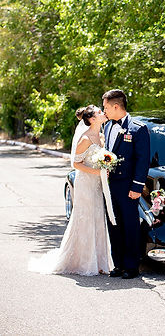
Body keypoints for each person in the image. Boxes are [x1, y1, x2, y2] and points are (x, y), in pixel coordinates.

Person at [28, 105, 113, 276]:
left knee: (97, 217)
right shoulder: (85, 138)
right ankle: (82, 262)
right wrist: (97, 171)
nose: (102, 113)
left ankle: (100, 262)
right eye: (98, 112)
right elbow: (76, 164)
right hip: (86, 182)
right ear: (92, 119)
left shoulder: (102, 136)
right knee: (85, 218)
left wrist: (106, 167)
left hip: (97, 183)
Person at [103, 89, 150, 279]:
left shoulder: (138, 128)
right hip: (110, 185)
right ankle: (118, 264)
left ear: (116, 106)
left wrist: (137, 187)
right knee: (114, 224)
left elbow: (142, 160)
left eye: (105, 107)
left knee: (130, 225)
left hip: (128, 186)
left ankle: (132, 266)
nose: (103, 110)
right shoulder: (107, 126)